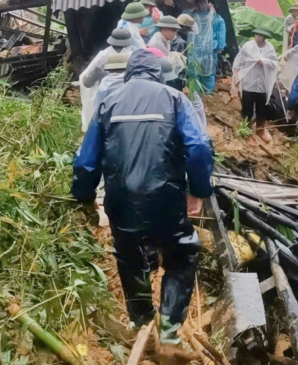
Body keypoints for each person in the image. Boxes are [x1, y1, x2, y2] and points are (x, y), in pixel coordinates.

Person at [72, 49, 213, 346]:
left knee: (130, 258)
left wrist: (84, 196)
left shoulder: (108, 101)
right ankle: (170, 330)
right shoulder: (175, 99)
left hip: (121, 200)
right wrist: (198, 192)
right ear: (158, 73)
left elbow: (86, 160)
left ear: (128, 73)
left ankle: (141, 324)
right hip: (166, 196)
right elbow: (199, 147)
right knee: (180, 255)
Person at [79, 28, 133, 129]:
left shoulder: (102, 58)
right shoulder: (132, 56)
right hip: (128, 103)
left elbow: (87, 82)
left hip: (105, 102)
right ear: (127, 43)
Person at [231, 26, 281, 126]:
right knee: (247, 108)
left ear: (264, 37)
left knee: (261, 109)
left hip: (262, 84)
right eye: (257, 35)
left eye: (260, 36)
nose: (258, 37)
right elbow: (239, 59)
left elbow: (275, 63)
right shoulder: (248, 46)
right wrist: (236, 74)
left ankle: (260, 129)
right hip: (249, 82)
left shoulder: (269, 48)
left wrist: (264, 61)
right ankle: (246, 129)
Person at [183, 0, 225, 94]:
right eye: (201, 3)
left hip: (209, 49)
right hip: (194, 48)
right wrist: (190, 10)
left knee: (209, 72)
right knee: (194, 72)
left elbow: (221, 30)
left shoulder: (215, 16)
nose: (204, 5)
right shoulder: (191, 15)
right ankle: (195, 94)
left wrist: (220, 45)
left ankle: (208, 95)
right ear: (197, 4)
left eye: (205, 2)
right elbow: (182, 19)